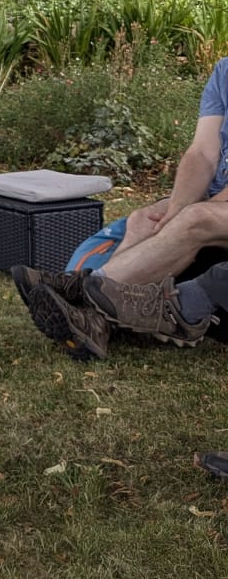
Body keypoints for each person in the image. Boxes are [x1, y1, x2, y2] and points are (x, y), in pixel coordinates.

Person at [18, 56, 228, 359]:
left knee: (195, 218)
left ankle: (82, 291)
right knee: (145, 219)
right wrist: (175, 208)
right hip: (217, 202)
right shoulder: (224, 71)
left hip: (217, 207)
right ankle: (96, 321)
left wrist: (188, 212)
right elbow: (202, 154)